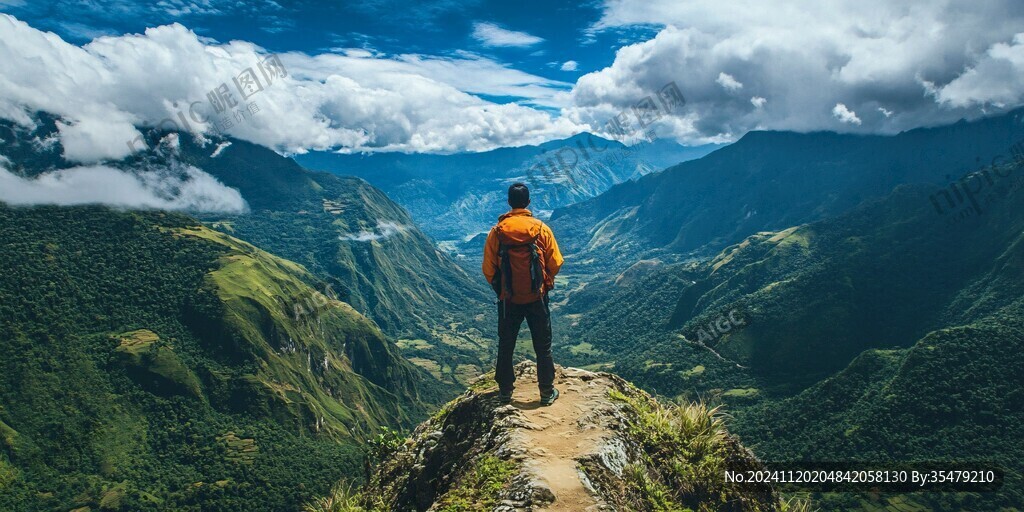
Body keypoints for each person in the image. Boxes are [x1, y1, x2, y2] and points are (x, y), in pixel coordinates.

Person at [482, 182, 564, 406]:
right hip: (537, 298)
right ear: (528, 203)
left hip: (508, 300)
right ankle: (546, 392)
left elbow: (488, 269)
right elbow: (556, 262)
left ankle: (506, 392)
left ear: (509, 203)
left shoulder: (497, 232)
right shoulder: (540, 229)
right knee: (543, 347)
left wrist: (502, 288)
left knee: (506, 344)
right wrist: (544, 282)